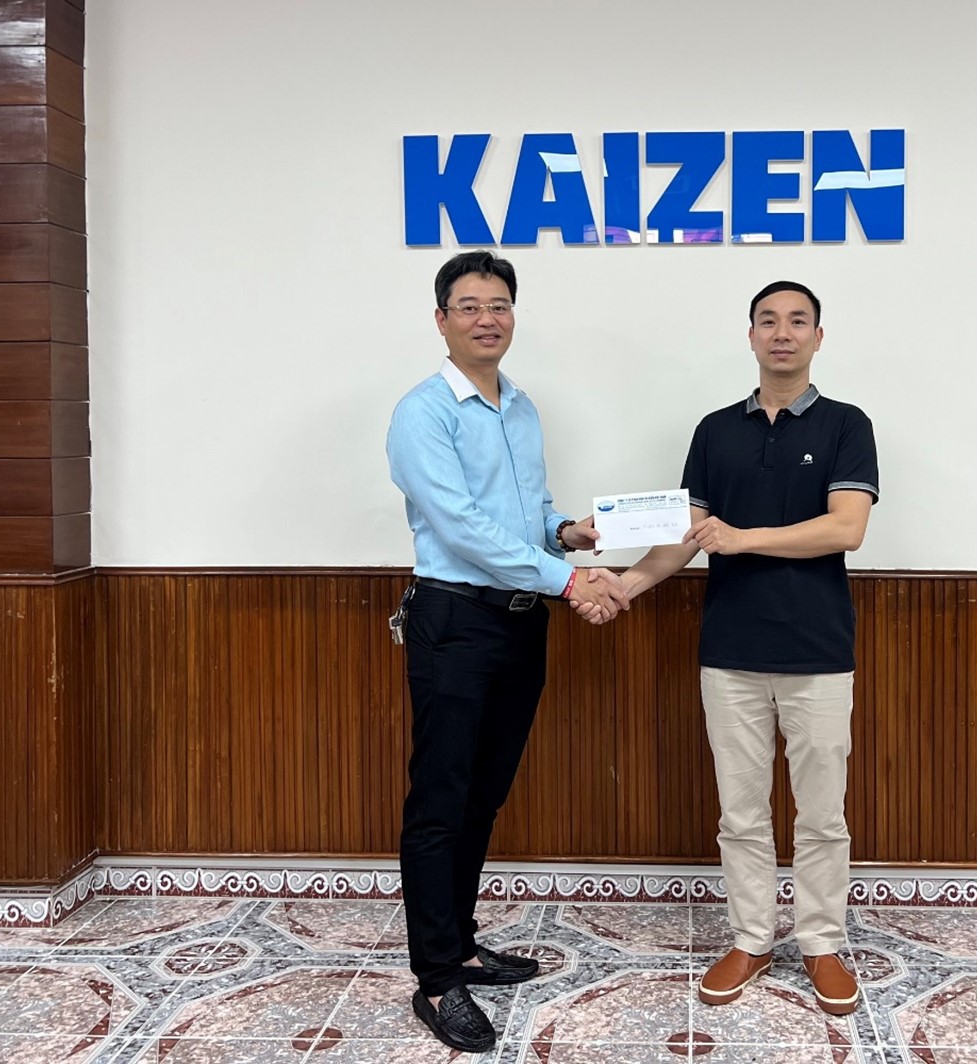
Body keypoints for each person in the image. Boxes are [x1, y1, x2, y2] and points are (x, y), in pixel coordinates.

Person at [600, 280, 878, 1016]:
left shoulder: (847, 424)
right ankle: (751, 938)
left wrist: (742, 537)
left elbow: (846, 528)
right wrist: (622, 586)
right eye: (768, 321)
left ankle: (820, 943)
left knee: (822, 815)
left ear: (818, 337)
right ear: (750, 335)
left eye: (797, 321)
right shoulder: (715, 431)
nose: (782, 332)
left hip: (819, 652)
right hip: (728, 653)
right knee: (741, 814)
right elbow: (683, 539)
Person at [387, 250, 628, 1052]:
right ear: (441, 320)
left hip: (521, 622)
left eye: (498, 305)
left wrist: (567, 533)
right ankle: (436, 978)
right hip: (455, 621)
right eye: (468, 306)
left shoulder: (520, 407)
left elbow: (525, 515)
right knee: (440, 800)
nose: (486, 318)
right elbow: (461, 529)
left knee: (483, 795)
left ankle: (460, 944)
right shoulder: (423, 413)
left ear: (512, 315)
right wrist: (571, 579)